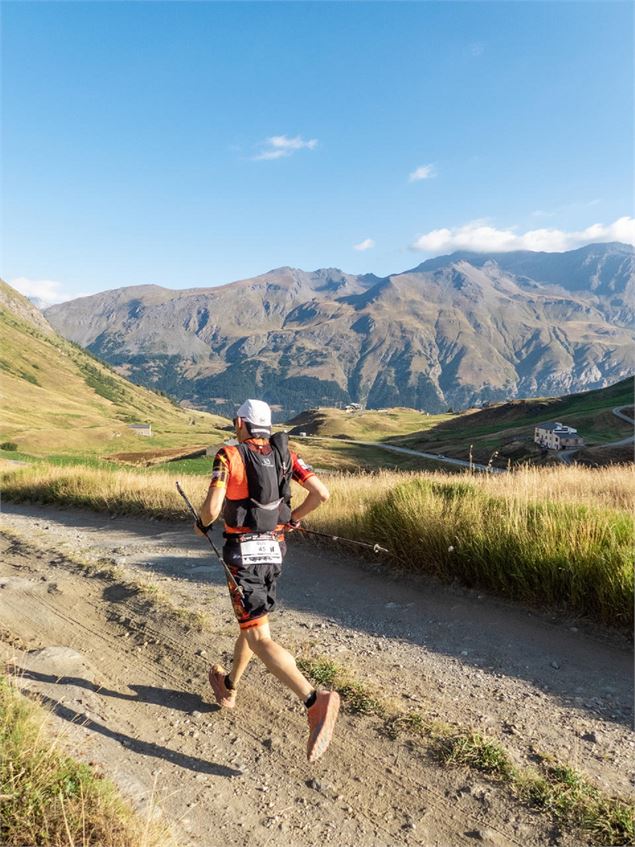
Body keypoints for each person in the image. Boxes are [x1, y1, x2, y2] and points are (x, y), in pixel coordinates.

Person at [195, 398, 340, 763]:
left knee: (259, 636)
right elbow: (321, 493)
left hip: (241, 554)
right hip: (275, 552)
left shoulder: (228, 456)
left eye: (235, 422)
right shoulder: (287, 454)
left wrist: (202, 523)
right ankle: (228, 687)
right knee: (254, 624)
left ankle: (313, 701)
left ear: (240, 423)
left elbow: (213, 508)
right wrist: (293, 520)